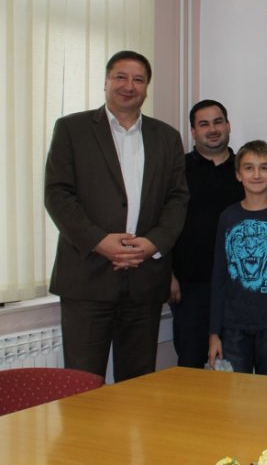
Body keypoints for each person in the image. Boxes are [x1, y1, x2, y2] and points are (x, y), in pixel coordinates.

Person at [44, 50, 188, 381]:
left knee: (138, 384)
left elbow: (178, 199)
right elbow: (57, 194)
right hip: (87, 279)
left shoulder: (166, 137)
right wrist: (99, 241)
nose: (129, 86)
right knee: (81, 383)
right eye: (121, 77)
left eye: (138, 79)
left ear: (146, 87)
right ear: (106, 81)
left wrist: (153, 243)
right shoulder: (72, 129)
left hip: (145, 280)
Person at [207, 140, 267, 375]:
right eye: (249, 168)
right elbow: (219, 277)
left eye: (264, 168)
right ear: (238, 175)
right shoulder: (228, 217)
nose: (257, 174)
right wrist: (214, 333)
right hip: (233, 326)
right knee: (235, 392)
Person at [170, 100, 244, 368]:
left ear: (228, 125)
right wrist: (167, 274)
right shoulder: (176, 170)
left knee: (238, 369)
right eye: (204, 124)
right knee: (191, 365)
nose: (212, 129)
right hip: (191, 287)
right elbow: (160, 223)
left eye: (218, 122)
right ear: (193, 131)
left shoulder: (246, 169)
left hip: (240, 287)